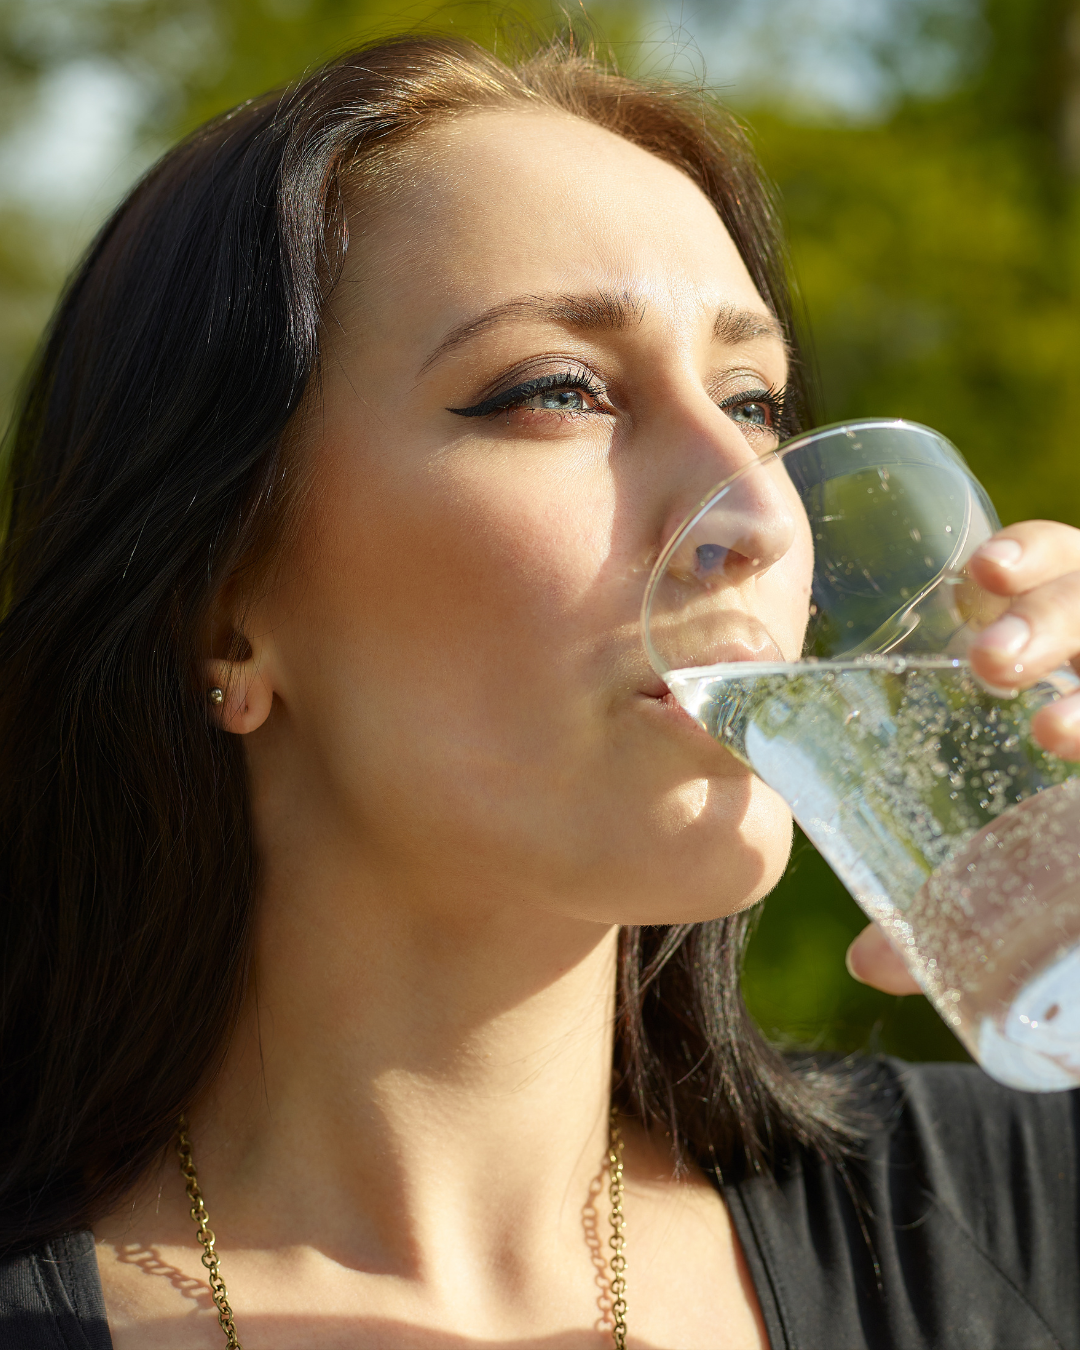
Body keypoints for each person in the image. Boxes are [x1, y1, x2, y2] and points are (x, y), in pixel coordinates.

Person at [1, 31, 1078, 1350]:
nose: (757, 509)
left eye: (753, 400)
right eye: (557, 391)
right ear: (221, 607)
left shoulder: (1010, 1215)